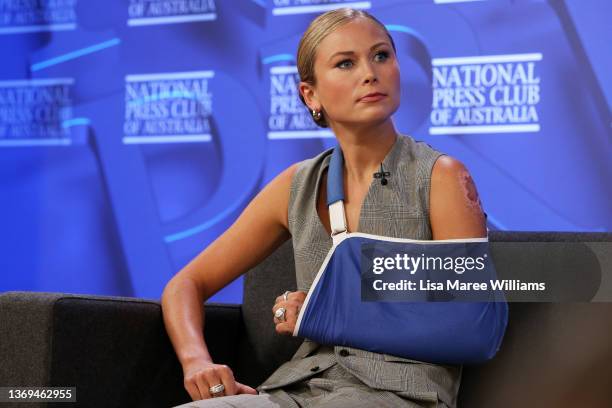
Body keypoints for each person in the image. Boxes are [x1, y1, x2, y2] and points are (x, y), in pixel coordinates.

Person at [162, 7, 488, 408]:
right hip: (298, 390)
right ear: (310, 94)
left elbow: (470, 325)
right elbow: (185, 284)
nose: (370, 72)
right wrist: (196, 362)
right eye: (345, 63)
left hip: (398, 393)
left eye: (381, 55)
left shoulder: (441, 178)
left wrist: (327, 312)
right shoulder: (295, 186)